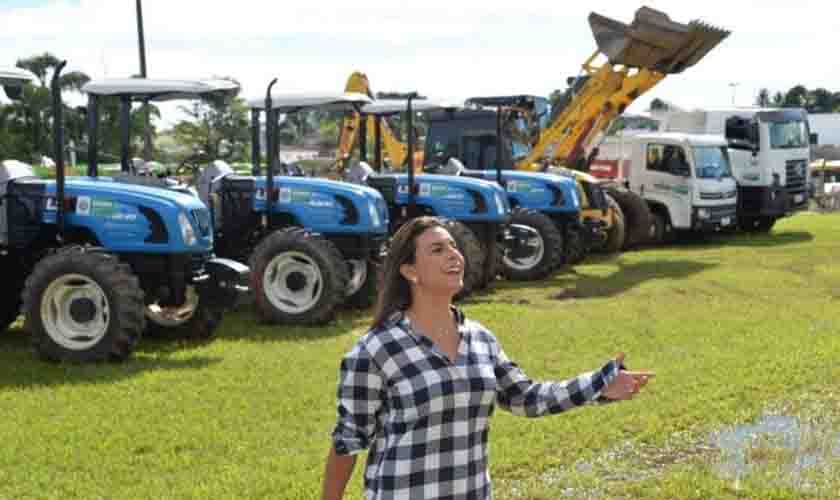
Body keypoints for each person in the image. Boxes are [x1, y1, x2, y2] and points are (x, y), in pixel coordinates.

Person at [321, 216, 653, 500]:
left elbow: (526, 397)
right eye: (437, 250)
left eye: (453, 246)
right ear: (410, 271)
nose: (454, 255)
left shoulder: (480, 339)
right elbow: (348, 441)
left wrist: (598, 384)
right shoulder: (376, 350)